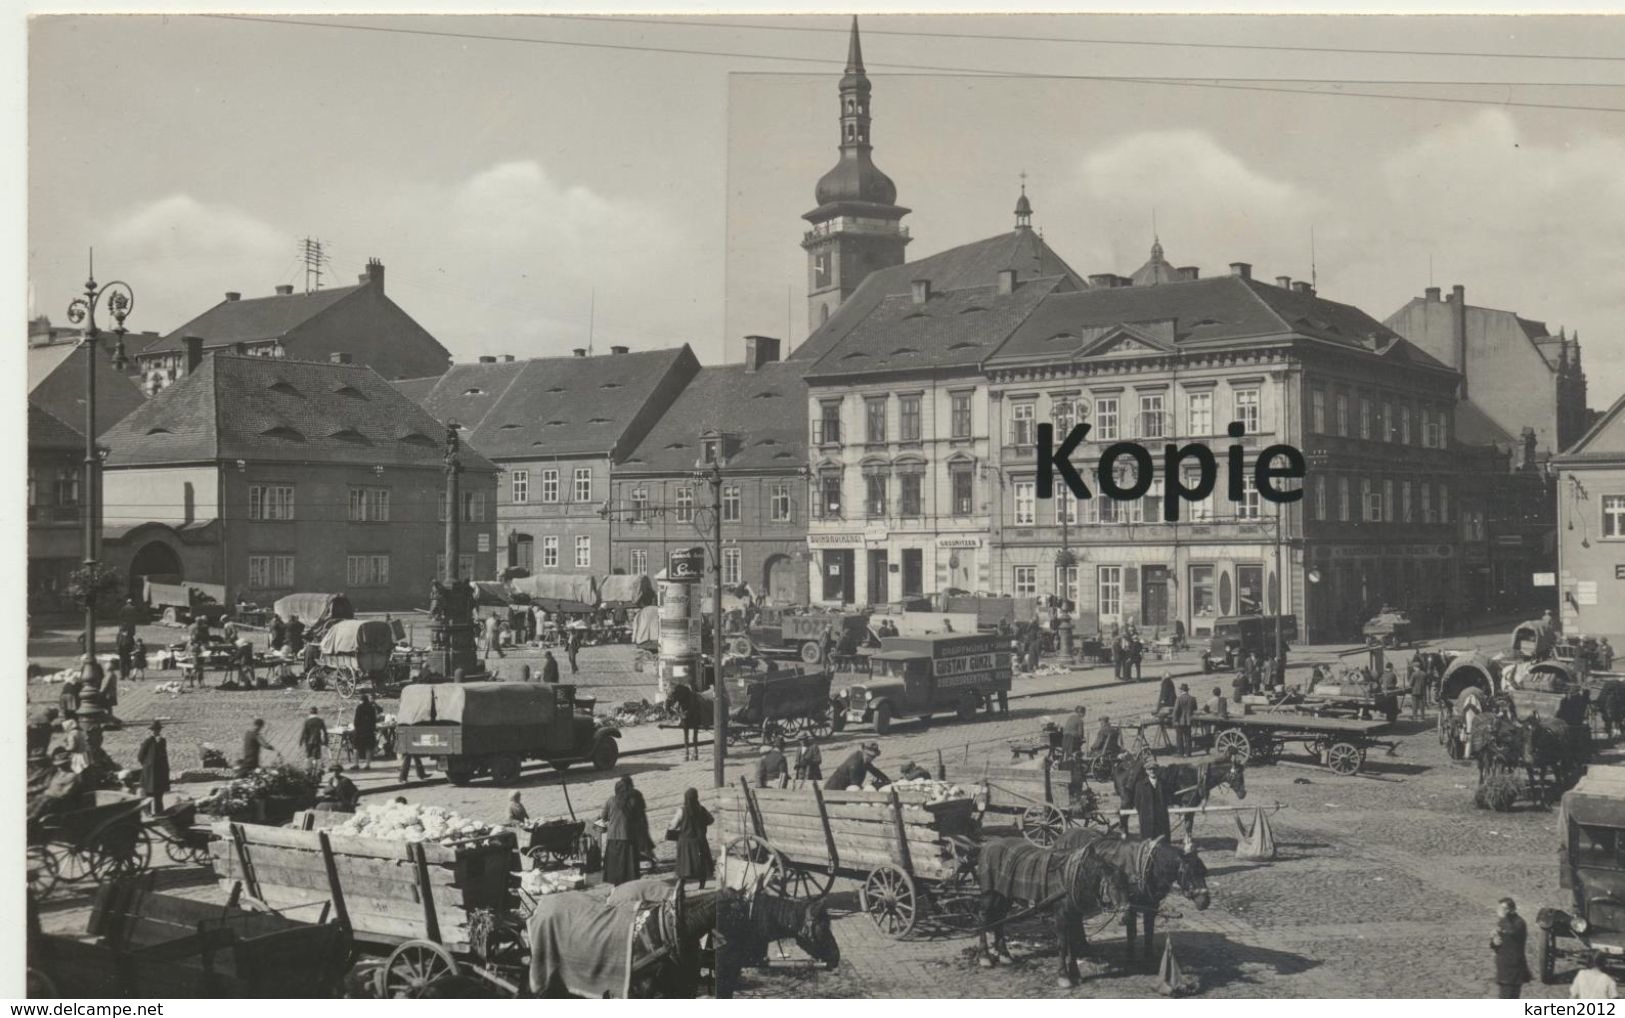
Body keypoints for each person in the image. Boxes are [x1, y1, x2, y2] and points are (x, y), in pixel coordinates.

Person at [600, 775, 654, 886]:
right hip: (628, 837)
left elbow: (603, 817)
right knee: (628, 865)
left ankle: (617, 885)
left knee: (615, 864)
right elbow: (639, 817)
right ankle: (629, 885)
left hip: (612, 837)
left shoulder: (611, 800)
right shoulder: (633, 800)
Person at [669, 787, 715, 890]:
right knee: (701, 865)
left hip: (685, 842)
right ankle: (701, 885)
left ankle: (682, 884)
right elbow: (711, 820)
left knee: (684, 865)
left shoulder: (682, 811)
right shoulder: (702, 809)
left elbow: (673, 825)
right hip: (700, 841)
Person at [28, 749, 87, 823]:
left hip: (61, 803)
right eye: (59, 765)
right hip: (49, 798)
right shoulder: (58, 773)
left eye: (63, 765)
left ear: (68, 763)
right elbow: (49, 785)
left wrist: (49, 794)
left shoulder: (74, 776)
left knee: (41, 806)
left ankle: (31, 821)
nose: (60, 767)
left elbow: (66, 793)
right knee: (32, 801)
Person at [1491, 898, 1532, 998]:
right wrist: (1494, 942)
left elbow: (1512, 933)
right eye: (1499, 908)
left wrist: (1504, 918)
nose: (1500, 910)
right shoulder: (1503, 922)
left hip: (1514, 970)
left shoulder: (1519, 923)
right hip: (1503, 969)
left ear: (1512, 910)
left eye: (1504, 908)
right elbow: (1497, 944)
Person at [1133, 759, 1173, 841]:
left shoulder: (1163, 783)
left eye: (1154, 769)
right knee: (1148, 843)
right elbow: (1137, 803)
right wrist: (1144, 813)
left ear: (1157, 770)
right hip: (1147, 819)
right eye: (1150, 769)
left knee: (1163, 842)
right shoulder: (1140, 785)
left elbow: (1169, 799)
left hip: (1161, 818)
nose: (1152, 771)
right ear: (1146, 771)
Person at [138, 721, 171, 814]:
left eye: (157, 730)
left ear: (160, 730)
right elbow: (140, 756)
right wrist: (147, 764)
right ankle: (148, 812)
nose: (155, 732)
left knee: (159, 794)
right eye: (153, 730)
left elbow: (163, 755)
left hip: (160, 771)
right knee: (149, 793)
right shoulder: (147, 741)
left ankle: (159, 812)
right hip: (149, 772)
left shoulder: (162, 741)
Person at [352, 693, 379, 769]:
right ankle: (367, 764)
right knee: (368, 748)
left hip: (360, 731)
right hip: (369, 731)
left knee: (356, 747)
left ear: (361, 700)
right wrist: (373, 728)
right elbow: (374, 720)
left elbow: (356, 720)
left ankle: (356, 764)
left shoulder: (359, 707)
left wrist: (356, 727)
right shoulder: (372, 708)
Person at [1173, 683, 1198, 757]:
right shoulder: (1192, 698)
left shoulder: (1179, 699)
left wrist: (1174, 720)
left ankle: (1181, 753)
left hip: (1180, 721)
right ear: (1187, 690)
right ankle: (1188, 753)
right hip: (1188, 721)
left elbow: (1176, 710)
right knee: (1188, 737)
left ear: (1181, 690)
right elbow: (1195, 709)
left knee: (1179, 738)